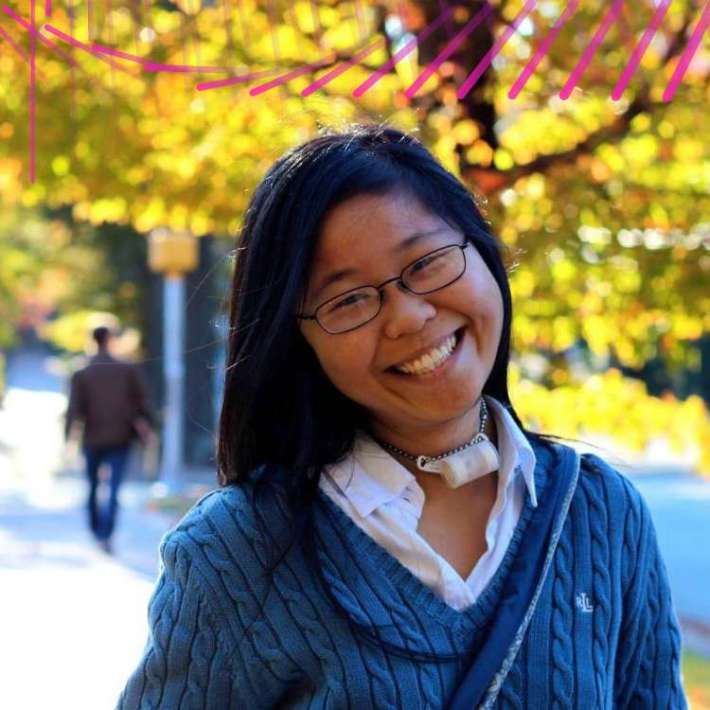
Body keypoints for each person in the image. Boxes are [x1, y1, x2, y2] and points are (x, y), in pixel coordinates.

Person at [117, 125, 687, 708]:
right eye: (349, 300)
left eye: (427, 263)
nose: (408, 317)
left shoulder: (600, 513)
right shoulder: (237, 552)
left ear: (482, 251)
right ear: (300, 342)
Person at [65, 325, 154, 553]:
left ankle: (96, 530)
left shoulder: (82, 371)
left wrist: (68, 439)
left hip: (91, 438)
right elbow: (141, 403)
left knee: (93, 486)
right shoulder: (127, 369)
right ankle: (106, 533)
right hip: (120, 436)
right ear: (111, 340)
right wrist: (148, 428)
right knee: (114, 488)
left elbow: (74, 409)